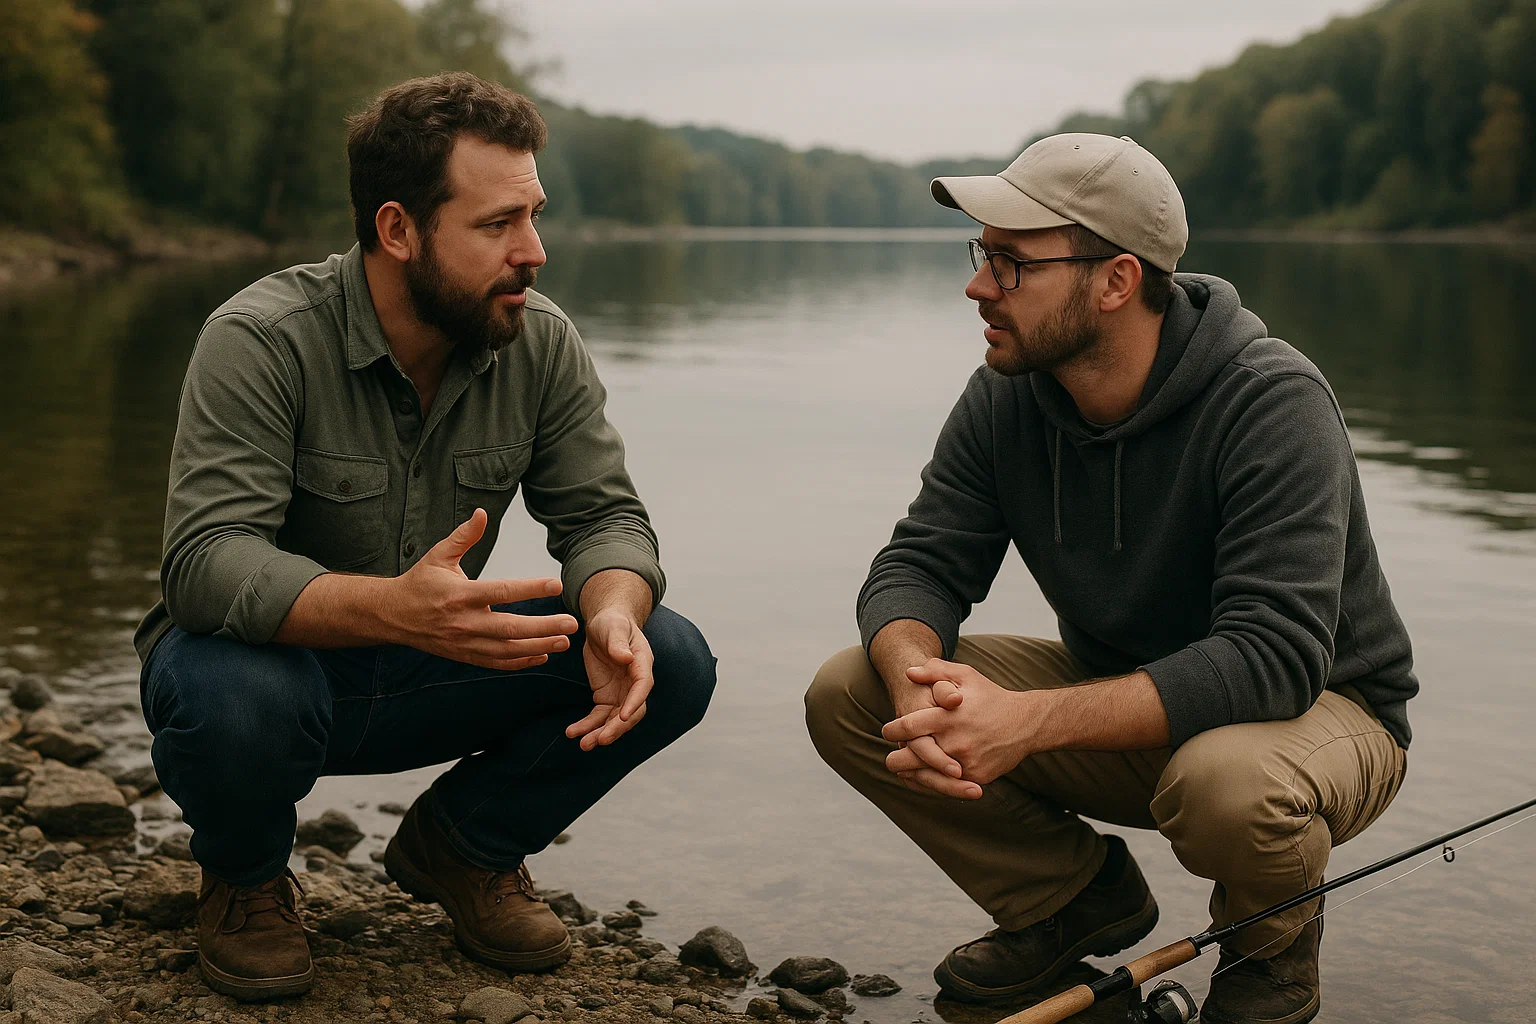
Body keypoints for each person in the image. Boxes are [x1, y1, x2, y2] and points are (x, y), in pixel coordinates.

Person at [805, 133, 1414, 1024]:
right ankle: (1070, 900)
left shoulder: (1272, 401)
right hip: (1128, 702)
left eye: (1012, 264)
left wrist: (1023, 722)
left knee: (1226, 785)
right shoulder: (1008, 393)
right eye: (982, 255)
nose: (979, 286)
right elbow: (922, 563)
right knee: (852, 691)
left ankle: (1268, 953)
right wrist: (916, 684)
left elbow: (1273, 659)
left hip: (1321, 714)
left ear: (1117, 281)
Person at [133, 72, 717, 1002]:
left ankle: (465, 847)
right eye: (497, 224)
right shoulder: (260, 338)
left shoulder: (540, 341)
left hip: (433, 662)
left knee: (670, 657)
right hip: (279, 674)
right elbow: (205, 564)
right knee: (228, 691)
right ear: (398, 230)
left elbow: (604, 518)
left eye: (534, 216)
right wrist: (393, 609)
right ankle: (245, 880)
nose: (533, 252)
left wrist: (612, 609)